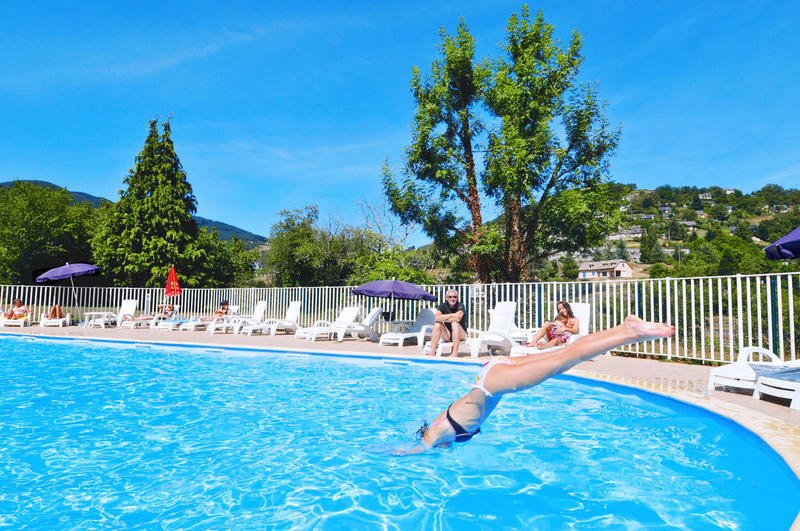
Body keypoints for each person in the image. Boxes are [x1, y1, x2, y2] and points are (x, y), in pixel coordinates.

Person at [399, 315, 674, 454]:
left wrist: (393, 453)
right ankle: (624, 329)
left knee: (564, 359)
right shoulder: (445, 435)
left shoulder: (434, 435)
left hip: (492, 384)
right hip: (494, 374)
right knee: (561, 357)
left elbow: (415, 452)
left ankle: (630, 335)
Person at [427, 289, 468, 356]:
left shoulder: (460, 305)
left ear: (457, 298)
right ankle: (432, 351)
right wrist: (452, 314)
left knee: (455, 323)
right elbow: (436, 318)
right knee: (437, 324)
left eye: (454, 297)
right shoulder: (442, 306)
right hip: (448, 335)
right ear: (446, 298)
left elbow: (458, 318)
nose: (452, 299)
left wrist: (443, 318)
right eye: (450, 297)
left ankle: (454, 353)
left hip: (461, 335)